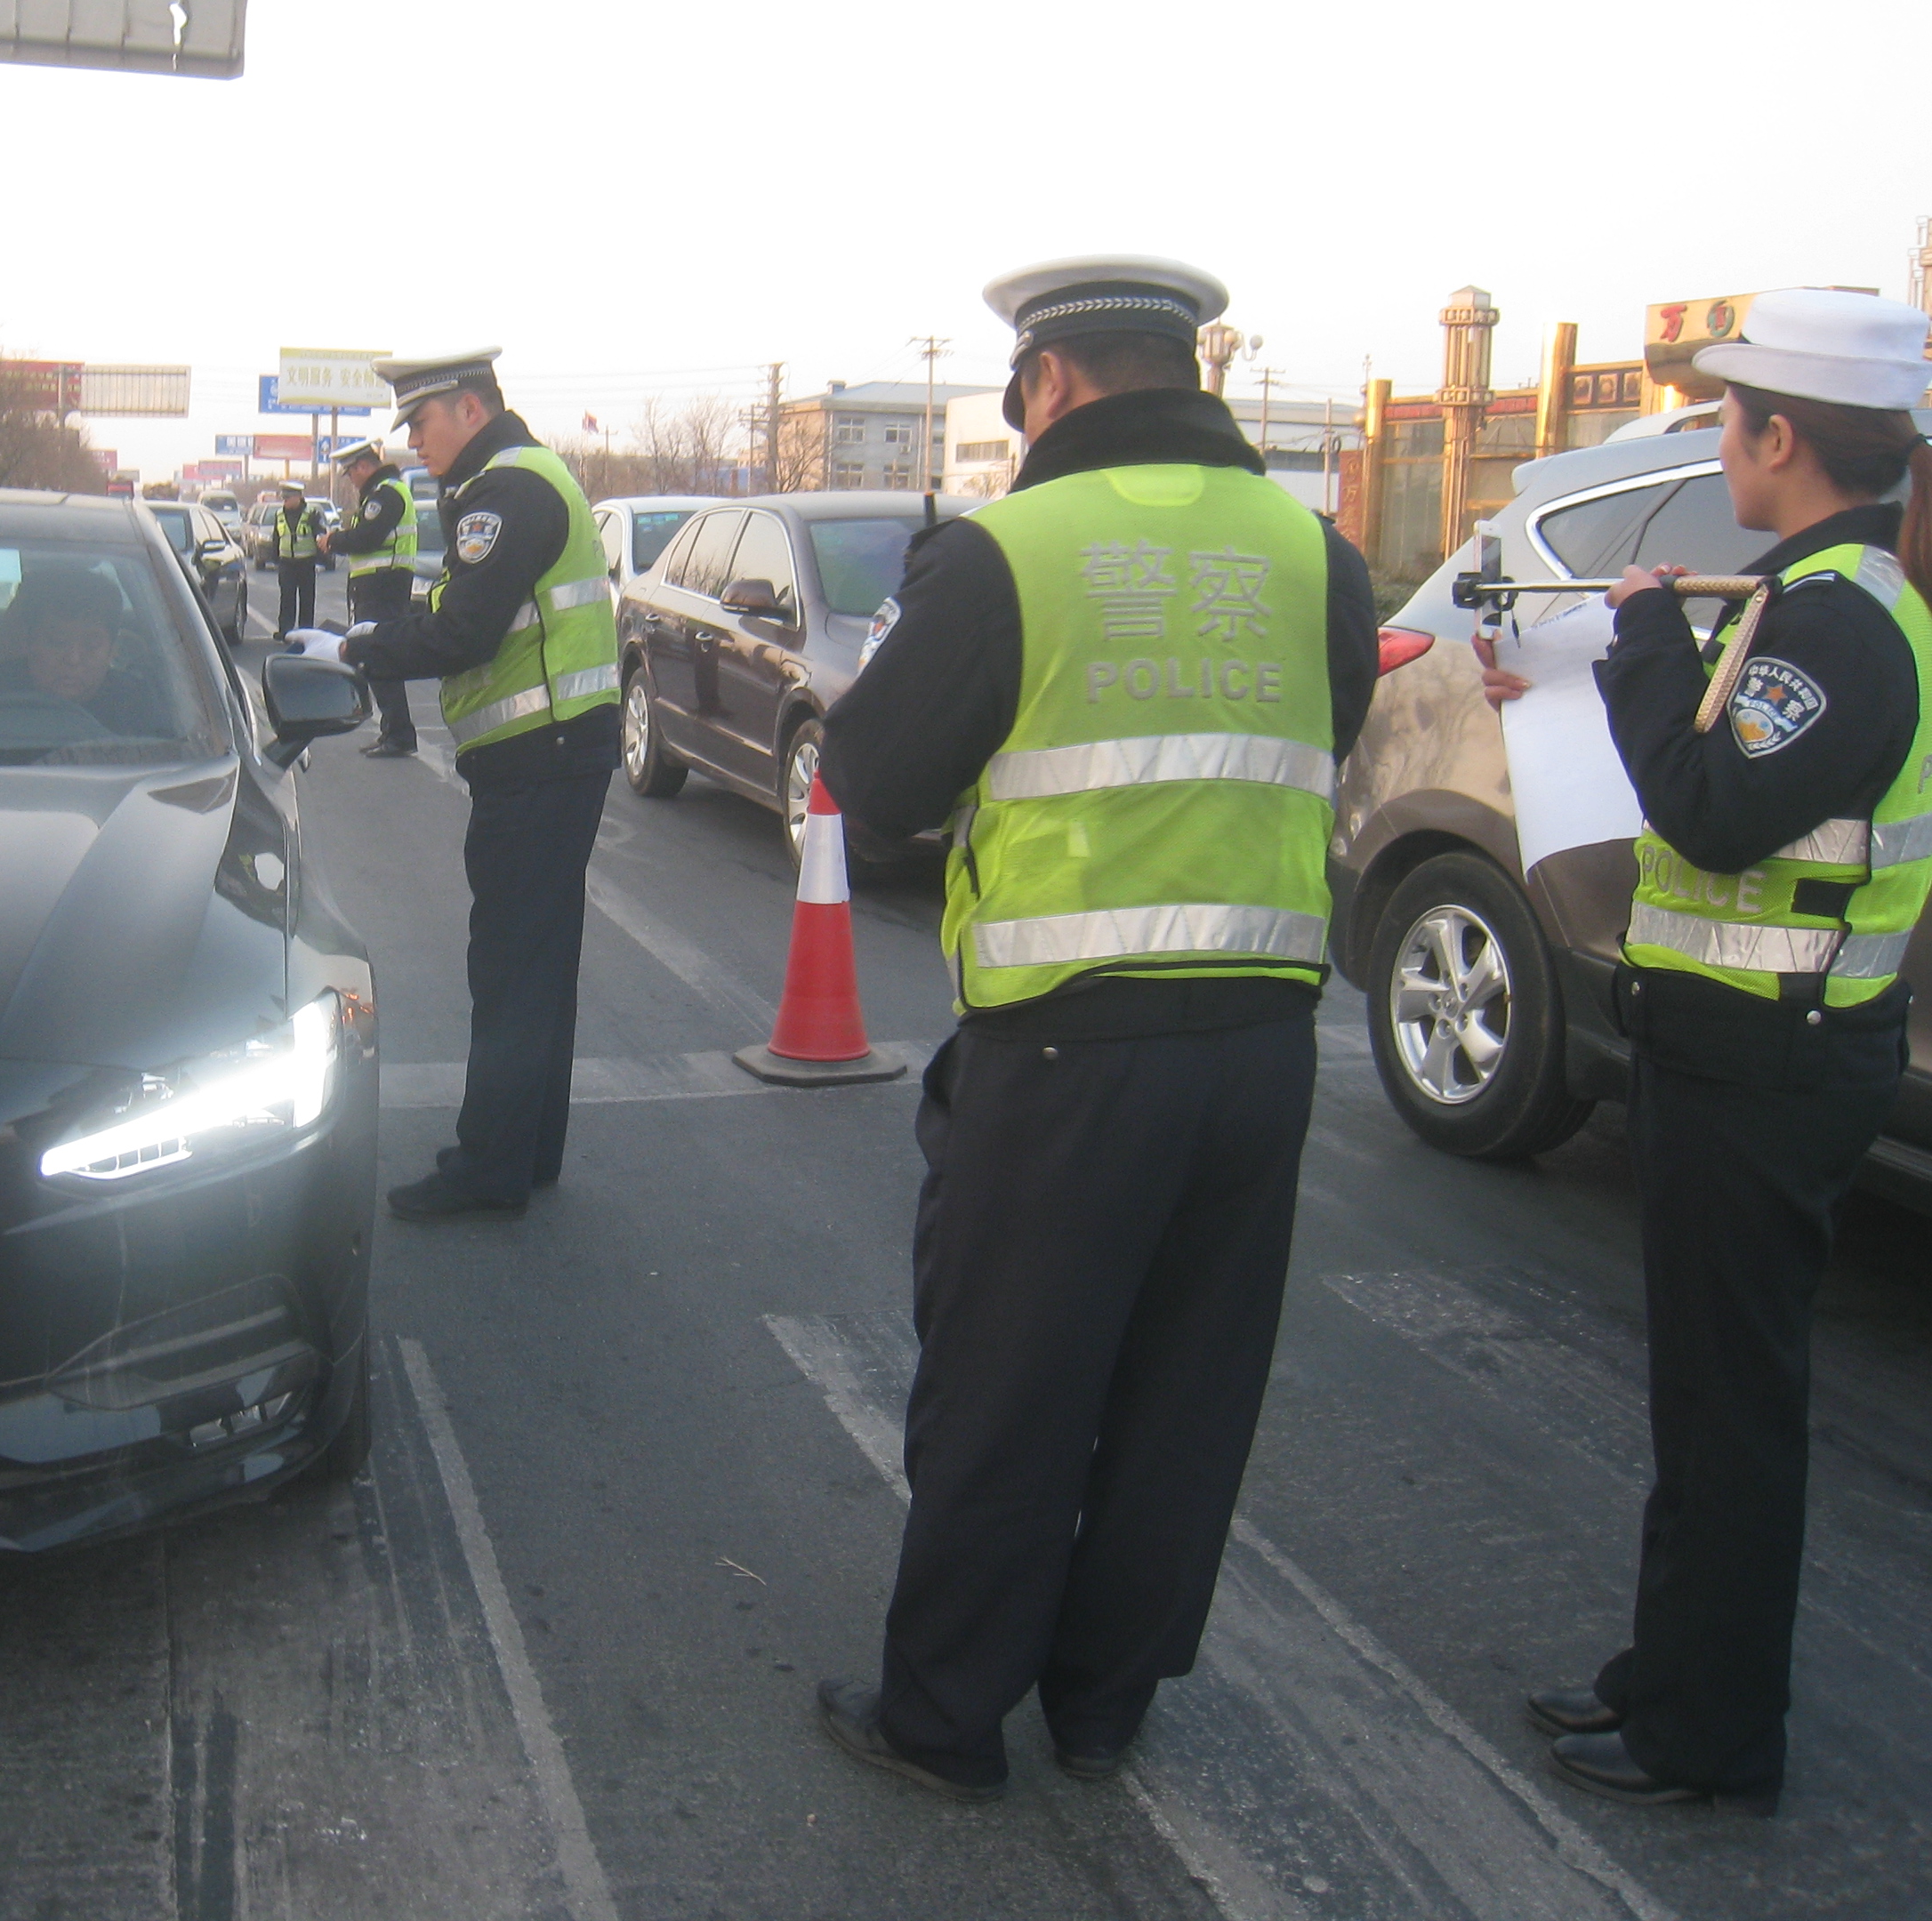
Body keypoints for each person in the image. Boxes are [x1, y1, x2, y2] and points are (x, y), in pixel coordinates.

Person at [811, 257, 1378, 1800]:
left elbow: (870, 782)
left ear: (1046, 383)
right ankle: (1100, 1702)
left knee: (1006, 1388)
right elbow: (1323, 730)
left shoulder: (1002, 550)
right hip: (1262, 1044)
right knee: (1182, 1390)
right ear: (1186, 371)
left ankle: (940, 1716)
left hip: (1065, 1054)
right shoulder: (1313, 551)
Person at [1477, 289, 1932, 1817]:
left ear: (1778, 435)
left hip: (1768, 1068)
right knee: (1700, 1402)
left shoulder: (1838, 622)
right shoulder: (1798, 599)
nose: (1717, 441)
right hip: (1734, 1056)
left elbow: (1712, 807)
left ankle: (1710, 1730)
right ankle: (1662, 1674)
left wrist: (1642, 645)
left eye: (1727, 417)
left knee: (1730, 1414)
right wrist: (1604, 668)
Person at [292, 349, 617, 1218]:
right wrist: (373, 633)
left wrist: (353, 650)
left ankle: (489, 1167)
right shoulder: (516, 480)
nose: (415, 443)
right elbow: (456, 612)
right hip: (557, 754)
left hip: (539, 758)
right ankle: (526, 1151)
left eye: (423, 424)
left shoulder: (506, 492)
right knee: (540, 962)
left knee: (511, 965)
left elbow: (464, 633)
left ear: (469, 409)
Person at [0, 563, 173, 739]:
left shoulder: (142, 705)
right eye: (57, 640)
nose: (73, 659)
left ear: (112, 651)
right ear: (29, 644)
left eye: (91, 645)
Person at [324, 433, 422, 757]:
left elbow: (368, 537)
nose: (350, 479)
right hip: (378, 587)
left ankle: (399, 735)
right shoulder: (382, 494)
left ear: (364, 466)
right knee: (377, 657)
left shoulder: (386, 495)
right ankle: (393, 732)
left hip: (383, 587)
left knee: (380, 657)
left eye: (351, 471)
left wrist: (335, 541)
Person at [270, 484, 321, 639]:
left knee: (307, 598)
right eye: (283, 498)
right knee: (287, 597)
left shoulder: (311, 514)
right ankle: (285, 631)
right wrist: (275, 558)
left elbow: (320, 536)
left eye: (288, 497)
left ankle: (306, 632)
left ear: (298, 497)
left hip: (306, 562)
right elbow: (276, 537)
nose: (284, 501)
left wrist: (321, 559)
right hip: (286, 563)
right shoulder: (279, 514)